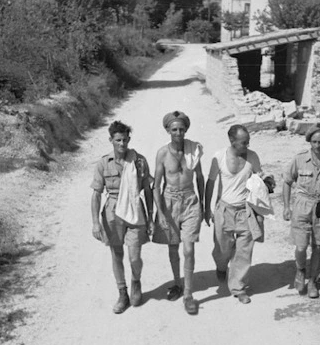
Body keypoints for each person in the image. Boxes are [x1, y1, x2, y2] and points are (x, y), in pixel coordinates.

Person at [91, 120, 153, 314]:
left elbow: (147, 190)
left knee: (135, 255)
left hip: (134, 209)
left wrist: (151, 216)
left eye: (125, 140)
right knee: (116, 254)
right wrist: (95, 223)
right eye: (118, 140)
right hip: (112, 211)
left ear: (129, 139)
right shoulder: (103, 163)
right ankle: (122, 292)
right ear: (111, 140)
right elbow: (96, 194)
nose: (122, 144)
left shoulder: (139, 161)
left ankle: (136, 282)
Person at [204, 124, 265, 304]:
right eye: (243, 143)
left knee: (244, 251)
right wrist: (207, 208)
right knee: (222, 249)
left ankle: (238, 287)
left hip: (246, 211)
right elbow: (210, 182)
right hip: (225, 209)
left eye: (248, 142)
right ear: (232, 141)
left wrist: (267, 184)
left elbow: (259, 180)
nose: (247, 146)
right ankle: (222, 266)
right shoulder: (219, 156)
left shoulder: (252, 157)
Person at [151, 111, 205, 315]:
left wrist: (205, 206)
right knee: (173, 247)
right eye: (174, 129)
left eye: (182, 129)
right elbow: (155, 186)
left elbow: (199, 178)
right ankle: (177, 283)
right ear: (168, 130)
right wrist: (161, 213)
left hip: (190, 200)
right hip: (170, 201)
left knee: (189, 249)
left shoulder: (194, 150)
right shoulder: (162, 154)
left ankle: (189, 295)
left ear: (186, 129)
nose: (178, 133)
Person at [283, 122, 320, 299]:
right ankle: (301, 270)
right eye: (315, 142)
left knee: (317, 247)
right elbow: (287, 181)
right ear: (310, 142)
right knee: (301, 246)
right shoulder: (300, 159)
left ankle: (313, 282)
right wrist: (287, 207)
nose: (318, 146)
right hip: (302, 205)